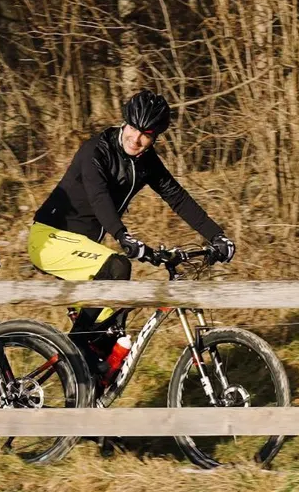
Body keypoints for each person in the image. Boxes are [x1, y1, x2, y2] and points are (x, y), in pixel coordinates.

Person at [28, 88, 235, 368]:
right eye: (134, 129)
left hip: (83, 248)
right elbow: (99, 196)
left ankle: (85, 384)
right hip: (50, 239)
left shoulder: (146, 162)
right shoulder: (95, 150)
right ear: (124, 122)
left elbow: (177, 197)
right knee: (117, 268)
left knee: (113, 322)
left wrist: (216, 235)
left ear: (155, 137)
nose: (136, 139)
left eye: (146, 135)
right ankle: (72, 356)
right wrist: (123, 236)